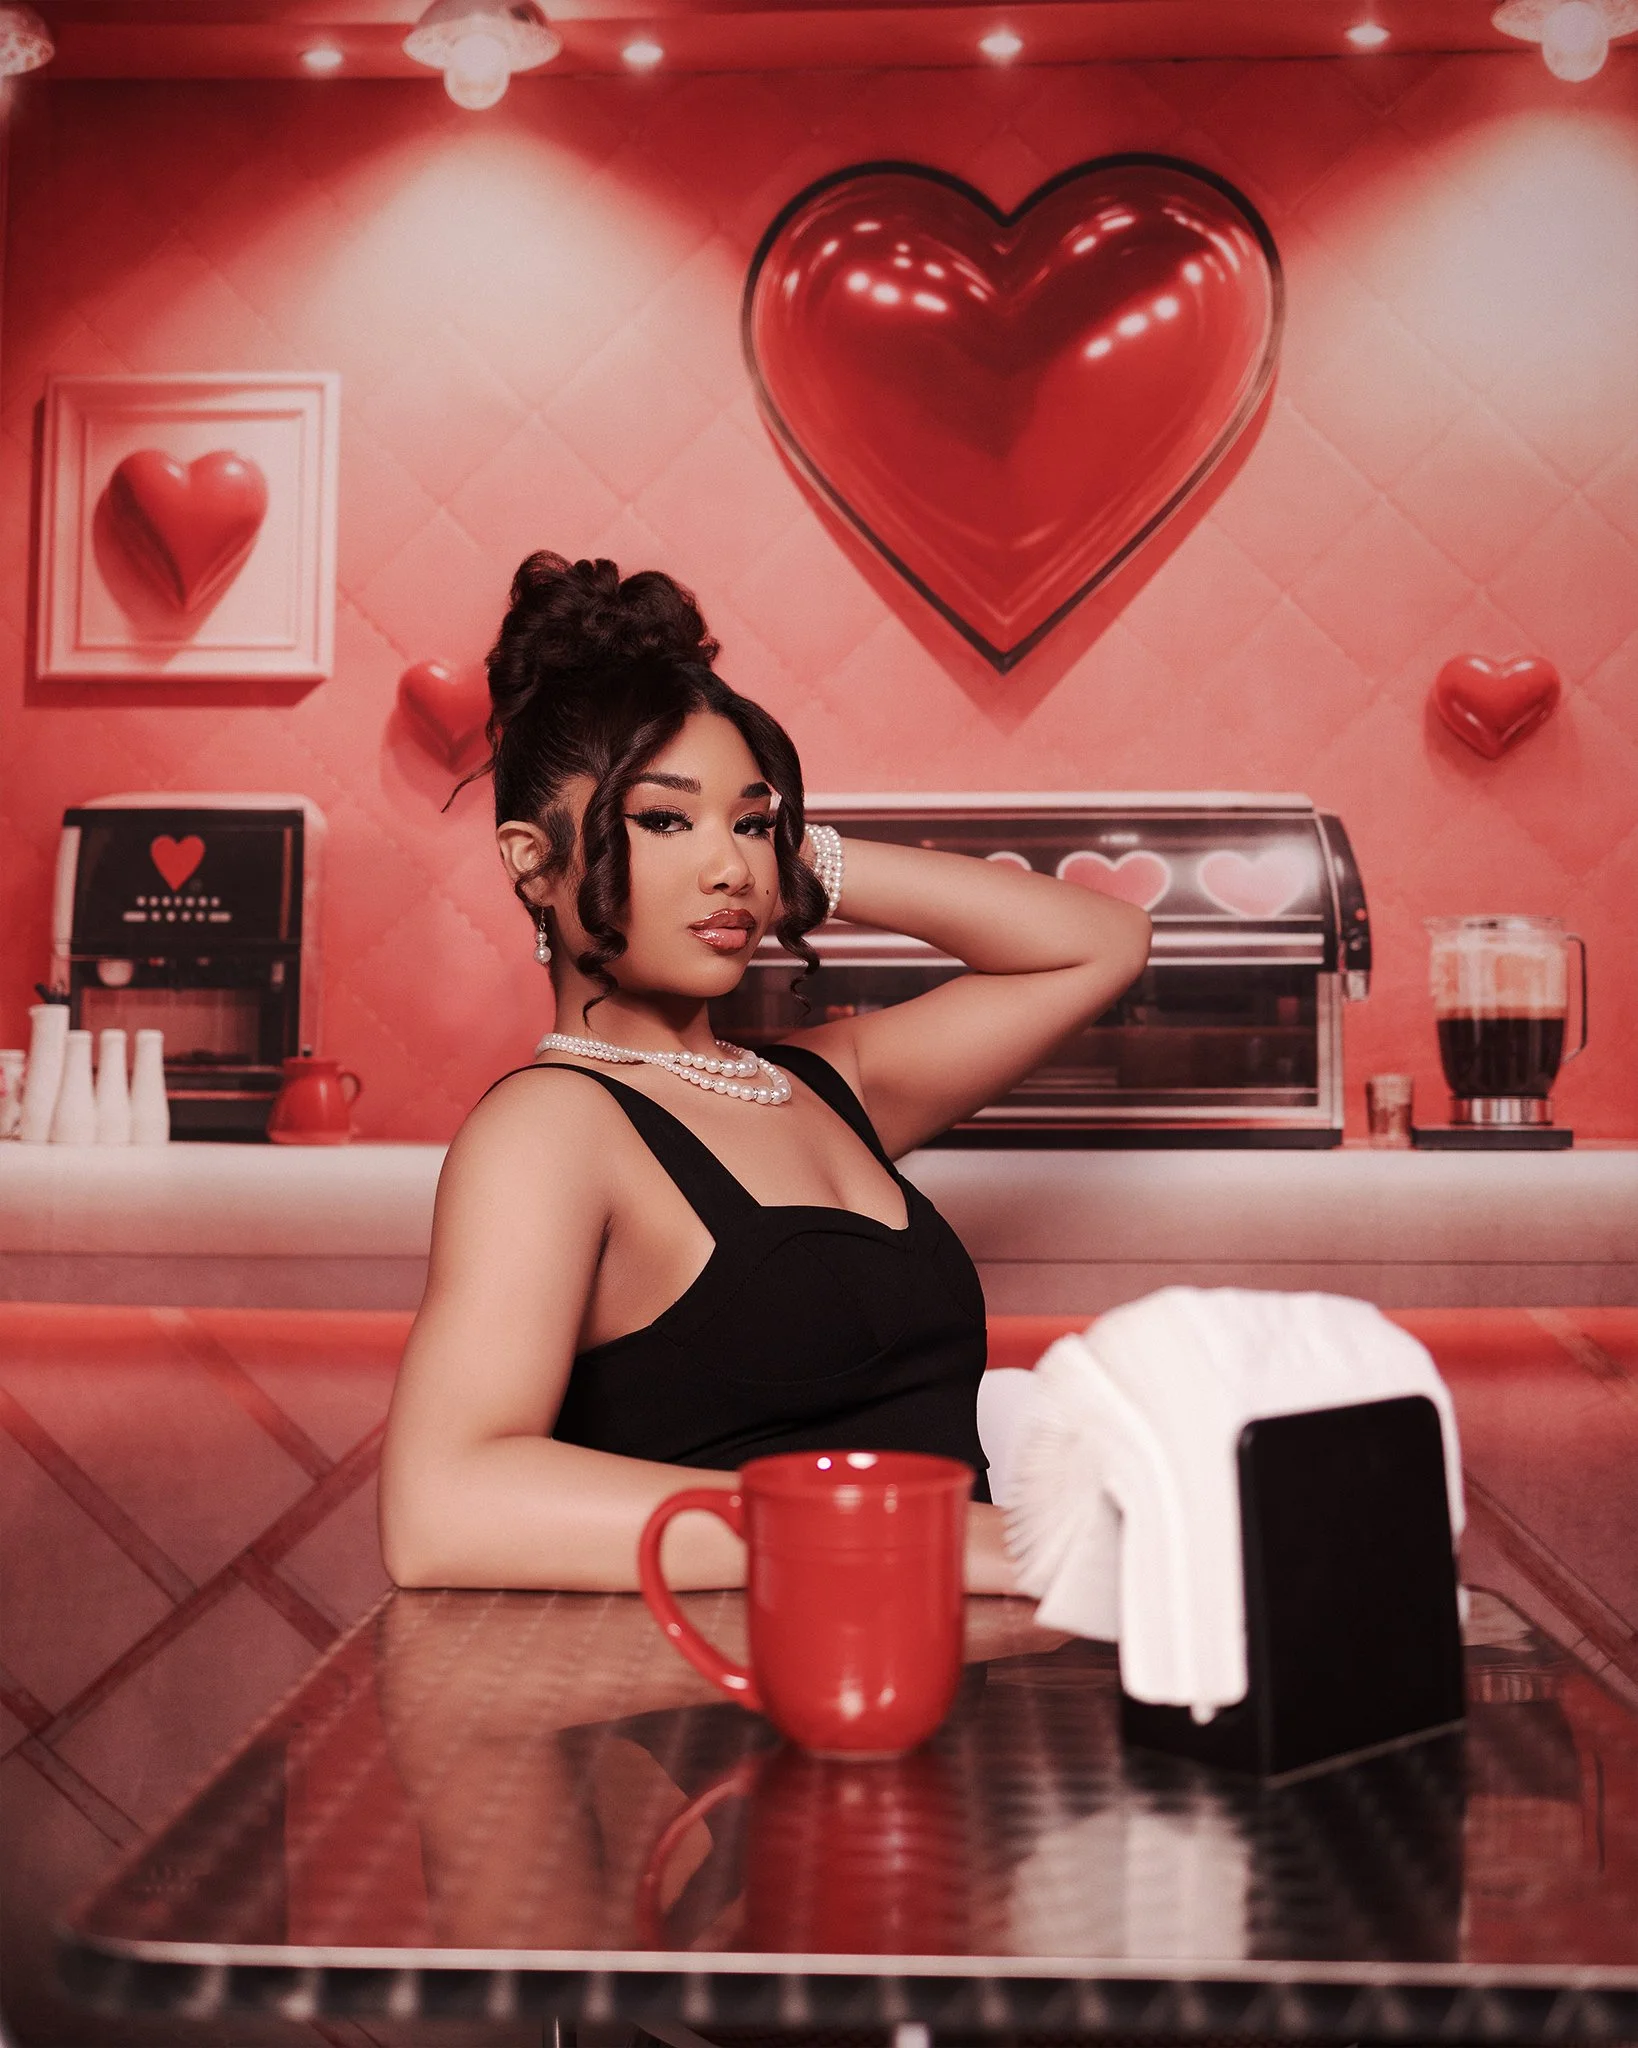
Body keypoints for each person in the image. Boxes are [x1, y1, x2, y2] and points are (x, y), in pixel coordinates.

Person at [379, 553, 1151, 1596]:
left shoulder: (825, 1084)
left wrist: (809, 858)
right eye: (664, 818)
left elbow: (1100, 941)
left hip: (945, 1676)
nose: (728, 867)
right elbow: (443, 1506)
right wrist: (926, 1539)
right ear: (532, 860)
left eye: (748, 821)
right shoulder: (551, 1128)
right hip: (736, 1713)